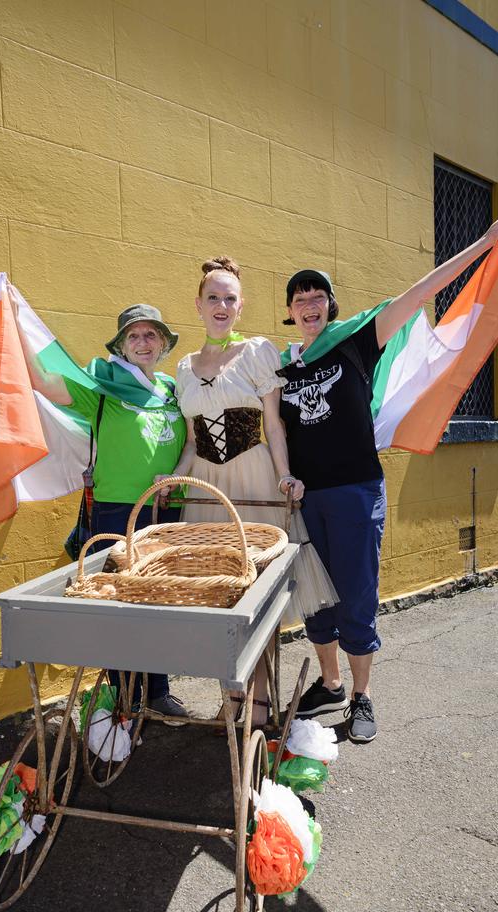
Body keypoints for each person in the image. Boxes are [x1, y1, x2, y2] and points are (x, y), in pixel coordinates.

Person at [279, 214, 498, 743]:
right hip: (307, 500)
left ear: (329, 306)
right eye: (299, 299)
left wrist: (481, 244)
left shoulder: (355, 342)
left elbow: (418, 293)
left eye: (317, 296)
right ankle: (332, 683)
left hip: (356, 491)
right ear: (290, 313)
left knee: (357, 596)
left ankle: (361, 697)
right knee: (317, 599)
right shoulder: (284, 367)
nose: (309, 304)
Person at [160, 256, 338, 726]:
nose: (222, 305)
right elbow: (193, 442)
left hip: (254, 481)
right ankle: (231, 700)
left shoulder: (258, 351)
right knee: (219, 596)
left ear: (241, 307)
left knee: (255, 595)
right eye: (213, 297)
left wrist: (284, 476)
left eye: (230, 298)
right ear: (198, 305)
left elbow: (275, 427)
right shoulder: (183, 366)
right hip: (205, 489)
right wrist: (173, 479)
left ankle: (259, 703)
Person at [13, 300, 190, 725]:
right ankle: (125, 695)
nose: (143, 342)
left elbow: (191, 442)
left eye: (151, 335)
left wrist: (175, 478)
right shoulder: (102, 387)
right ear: (122, 346)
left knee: (159, 601)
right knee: (122, 605)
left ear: (163, 343)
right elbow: (45, 383)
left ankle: (158, 690)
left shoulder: (172, 389)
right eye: (134, 336)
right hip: (117, 509)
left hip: (167, 507)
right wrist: (13, 322)